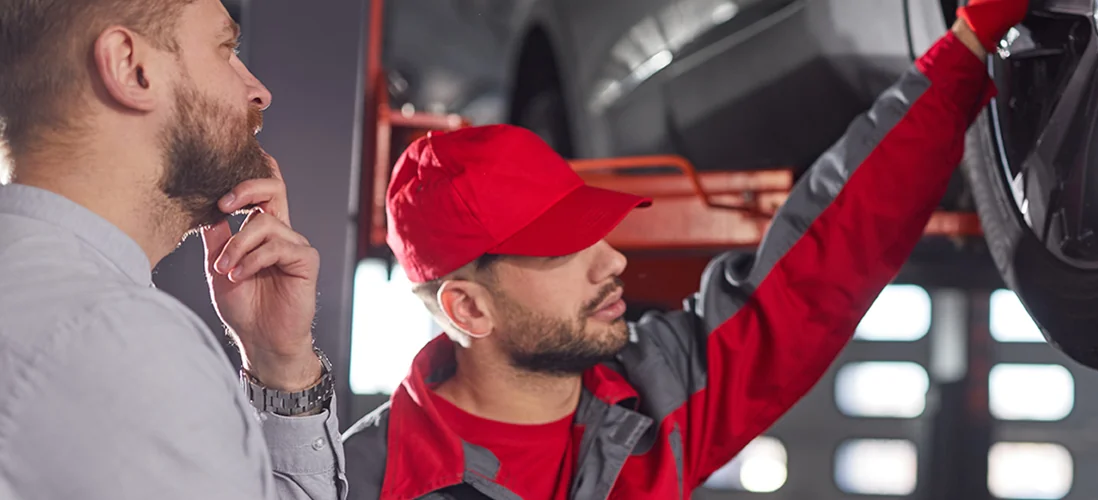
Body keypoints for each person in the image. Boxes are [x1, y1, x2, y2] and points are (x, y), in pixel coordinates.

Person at [341, 0, 1026, 498]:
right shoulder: (359, 481)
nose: (612, 262)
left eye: (595, 229)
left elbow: (824, 258)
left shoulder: (655, 393)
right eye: (563, 248)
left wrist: (963, 52)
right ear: (468, 310)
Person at [0, 1, 346, 499]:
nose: (258, 92)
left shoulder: (44, 297)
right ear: (131, 68)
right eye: (225, 48)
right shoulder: (118, 340)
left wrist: (277, 359)